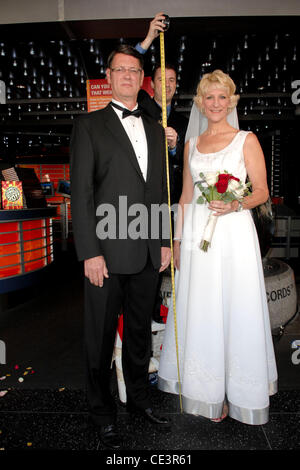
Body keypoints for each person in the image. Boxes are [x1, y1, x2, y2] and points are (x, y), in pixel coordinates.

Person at [158, 69, 278, 425]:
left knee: (235, 307)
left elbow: (261, 191)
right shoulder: (191, 145)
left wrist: (235, 204)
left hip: (234, 234)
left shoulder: (246, 139)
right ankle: (207, 392)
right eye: (208, 97)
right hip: (197, 238)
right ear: (199, 102)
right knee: (203, 307)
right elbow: (184, 196)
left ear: (231, 101)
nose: (214, 103)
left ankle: (240, 391)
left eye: (222, 97)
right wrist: (177, 240)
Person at [70, 44, 171, 449]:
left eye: (134, 71)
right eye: (120, 70)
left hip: (148, 250)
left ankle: (139, 401)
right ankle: (102, 411)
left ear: (142, 79)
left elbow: (160, 190)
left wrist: (163, 241)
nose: (128, 77)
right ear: (108, 77)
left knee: (140, 335)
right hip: (105, 256)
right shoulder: (89, 125)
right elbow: (81, 194)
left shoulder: (153, 126)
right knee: (98, 336)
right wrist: (89, 252)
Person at [135, 12, 189, 203]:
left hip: (174, 199)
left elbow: (188, 162)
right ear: (151, 84)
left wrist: (174, 148)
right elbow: (130, 69)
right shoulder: (140, 104)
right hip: (142, 196)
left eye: (171, 80)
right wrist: (149, 38)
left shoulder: (184, 122)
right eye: (161, 79)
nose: (166, 84)